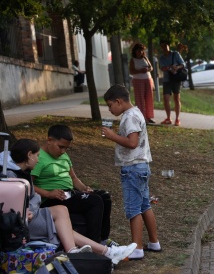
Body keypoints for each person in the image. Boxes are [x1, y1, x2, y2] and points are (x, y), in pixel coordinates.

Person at [1, 139, 137, 265]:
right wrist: (30, 209)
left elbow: (34, 196)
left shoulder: (23, 172)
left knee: (62, 210)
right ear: (29, 155)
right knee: (62, 227)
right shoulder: (10, 176)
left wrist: (32, 207)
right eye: (37, 156)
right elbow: (13, 208)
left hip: (30, 215)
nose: (38, 160)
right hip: (18, 224)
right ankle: (102, 252)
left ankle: (88, 251)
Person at [102, 84, 161, 260]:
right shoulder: (136, 113)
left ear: (119, 101)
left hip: (133, 168)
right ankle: (153, 242)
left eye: (110, 105)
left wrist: (112, 136)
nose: (109, 109)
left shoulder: (129, 117)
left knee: (133, 209)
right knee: (144, 205)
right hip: (141, 167)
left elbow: (132, 142)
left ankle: (137, 248)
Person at [31, 125, 114, 245]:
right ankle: (93, 243)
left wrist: (84, 188)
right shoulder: (39, 158)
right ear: (49, 140)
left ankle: (104, 239)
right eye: (61, 147)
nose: (63, 151)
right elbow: (28, 184)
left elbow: (73, 178)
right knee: (94, 201)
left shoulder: (63, 156)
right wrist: (48, 193)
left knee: (104, 196)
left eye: (66, 148)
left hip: (69, 193)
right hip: (53, 199)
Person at [158, 41, 185, 126]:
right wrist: (170, 67)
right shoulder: (161, 58)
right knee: (166, 99)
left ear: (169, 46)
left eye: (166, 46)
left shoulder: (175, 54)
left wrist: (177, 67)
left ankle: (177, 118)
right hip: (167, 79)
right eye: (163, 46)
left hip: (176, 79)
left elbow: (183, 64)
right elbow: (162, 68)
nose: (165, 48)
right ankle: (168, 118)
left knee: (176, 98)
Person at [129, 43, 155, 124]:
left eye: (141, 50)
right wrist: (140, 70)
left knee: (149, 98)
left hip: (147, 79)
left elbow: (151, 67)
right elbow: (131, 71)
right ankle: (142, 117)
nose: (140, 52)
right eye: (138, 50)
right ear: (135, 51)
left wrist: (147, 69)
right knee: (140, 99)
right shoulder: (133, 60)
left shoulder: (145, 58)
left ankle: (149, 116)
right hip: (138, 80)